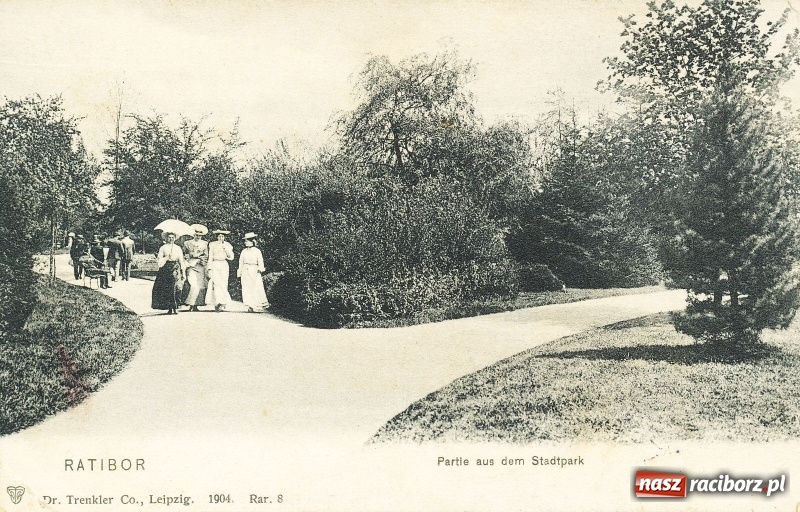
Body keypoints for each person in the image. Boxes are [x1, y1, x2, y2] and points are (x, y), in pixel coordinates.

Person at [151, 232, 185, 315]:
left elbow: (181, 260)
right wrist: (166, 257)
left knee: (176, 288)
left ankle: (176, 307)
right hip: (166, 268)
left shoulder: (178, 248)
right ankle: (169, 307)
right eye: (169, 237)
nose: (171, 239)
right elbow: (159, 260)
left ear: (175, 238)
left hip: (175, 267)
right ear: (166, 238)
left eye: (172, 237)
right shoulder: (163, 248)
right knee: (167, 289)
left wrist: (183, 272)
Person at [237, 232, 269, 312]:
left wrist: (260, 268)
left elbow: (260, 261)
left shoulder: (257, 251)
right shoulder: (243, 251)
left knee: (255, 287)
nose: (245, 242)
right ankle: (250, 306)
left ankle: (256, 305)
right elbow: (240, 262)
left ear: (252, 241)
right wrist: (239, 272)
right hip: (245, 270)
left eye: (247, 241)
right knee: (247, 288)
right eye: (245, 241)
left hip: (254, 270)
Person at [205, 229, 234, 312]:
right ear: (217, 237)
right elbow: (210, 257)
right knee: (216, 283)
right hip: (215, 264)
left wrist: (226, 249)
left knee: (223, 284)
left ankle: (223, 303)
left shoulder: (227, 245)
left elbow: (231, 257)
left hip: (224, 265)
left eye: (222, 236)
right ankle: (217, 303)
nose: (221, 238)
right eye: (219, 236)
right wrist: (209, 268)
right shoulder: (213, 245)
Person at [182, 224, 209, 312]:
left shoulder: (205, 244)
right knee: (193, 284)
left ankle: (196, 304)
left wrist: (201, 259)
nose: (198, 237)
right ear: (193, 235)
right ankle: (190, 304)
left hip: (200, 266)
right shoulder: (187, 243)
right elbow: (184, 254)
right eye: (196, 235)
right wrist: (191, 256)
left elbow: (206, 255)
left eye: (200, 235)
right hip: (191, 265)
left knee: (200, 285)